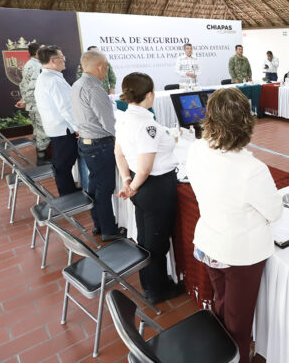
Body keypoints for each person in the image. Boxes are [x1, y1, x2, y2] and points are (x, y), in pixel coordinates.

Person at [187, 87, 282, 363]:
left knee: (221, 304)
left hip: (209, 242)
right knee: (238, 324)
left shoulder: (196, 149)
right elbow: (274, 212)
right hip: (241, 254)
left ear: (210, 119)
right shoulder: (251, 169)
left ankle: (219, 353)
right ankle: (236, 357)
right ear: (246, 122)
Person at [114, 72, 184, 305]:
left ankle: (150, 283)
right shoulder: (146, 125)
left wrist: (126, 180)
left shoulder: (124, 118)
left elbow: (119, 152)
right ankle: (157, 290)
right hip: (155, 187)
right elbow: (145, 168)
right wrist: (132, 187)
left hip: (140, 185)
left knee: (145, 238)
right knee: (157, 241)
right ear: (150, 95)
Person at [71, 51, 125, 241]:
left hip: (86, 142)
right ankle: (109, 230)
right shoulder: (94, 88)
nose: (107, 70)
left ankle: (99, 225)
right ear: (101, 66)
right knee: (104, 188)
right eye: (107, 66)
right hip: (100, 145)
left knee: (94, 186)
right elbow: (108, 123)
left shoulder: (77, 84)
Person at [34, 45, 79, 196]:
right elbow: (66, 108)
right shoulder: (53, 80)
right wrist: (77, 127)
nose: (64, 61)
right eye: (62, 58)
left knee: (63, 163)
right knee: (63, 164)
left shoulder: (45, 77)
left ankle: (70, 191)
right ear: (53, 61)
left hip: (55, 127)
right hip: (63, 128)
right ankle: (68, 196)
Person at [15, 43, 50, 163]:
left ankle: (41, 155)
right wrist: (29, 101)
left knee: (38, 129)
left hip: (34, 104)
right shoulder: (36, 67)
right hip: (38, 104)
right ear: (37, 53)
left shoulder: (33, 64)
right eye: (43, 50)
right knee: (42, 130)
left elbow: (23, 85)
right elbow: (32, 87)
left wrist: (25, 100)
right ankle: (42, 159)